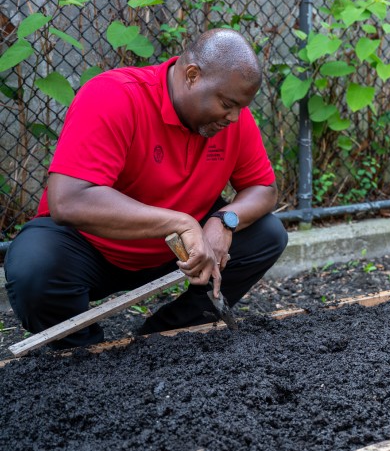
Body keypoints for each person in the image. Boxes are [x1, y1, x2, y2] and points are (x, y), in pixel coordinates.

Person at [3, 28, 288, 348]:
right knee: (34, 266)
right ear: (192, 75)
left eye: (241, 107)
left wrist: (223, 220)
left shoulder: (231, 120)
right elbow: (68, 201)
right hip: (93, 252)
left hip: (176, 253)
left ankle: (169, 334)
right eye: (227, 103)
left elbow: (264, 188)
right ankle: (82, 355)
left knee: (267, 234)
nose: (235, 117)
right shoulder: (114, 95)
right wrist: (181, 222)